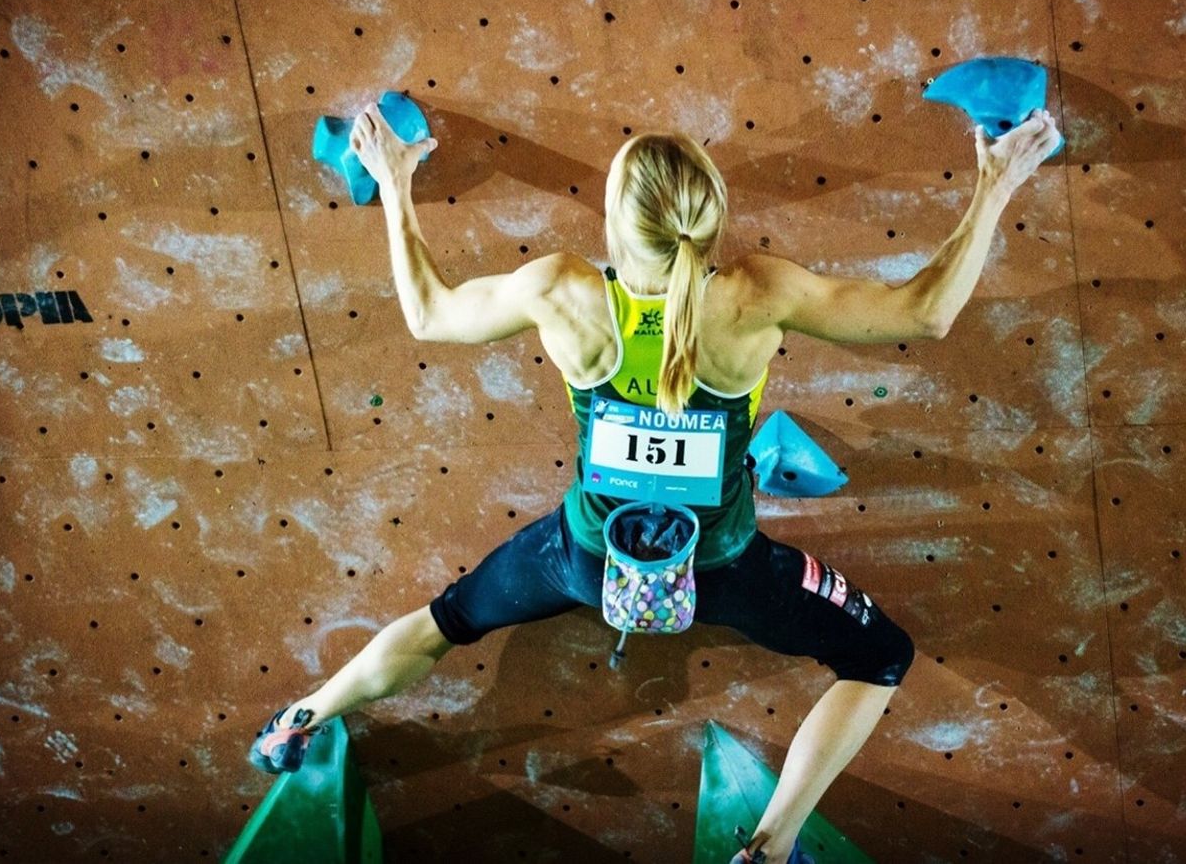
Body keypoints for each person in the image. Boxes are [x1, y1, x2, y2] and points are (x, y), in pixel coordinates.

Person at [252, 103, 1061, 863]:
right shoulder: (754, 297)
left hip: (585, 558)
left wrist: (394, 183)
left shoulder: (563, 291)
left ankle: (300, 718)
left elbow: (428, 314)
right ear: (710, 218)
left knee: (446, 620)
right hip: (723, 572)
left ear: (614, 224)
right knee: (880, 656)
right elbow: (923, 313)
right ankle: (770, 848)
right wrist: (996, 184)